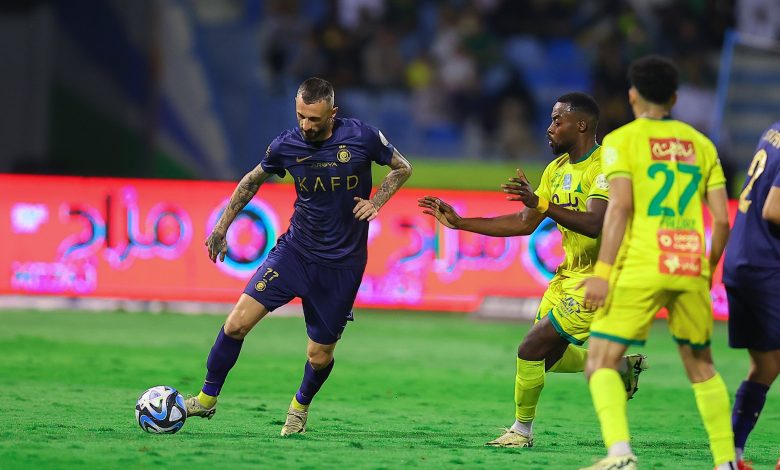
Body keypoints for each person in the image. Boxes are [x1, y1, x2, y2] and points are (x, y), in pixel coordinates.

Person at [418, 92, 647, 449]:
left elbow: (594, 223)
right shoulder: (556, 171)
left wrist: (541, 203)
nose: (549, 128)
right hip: (568, 276)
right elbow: (526, 222)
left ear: (581, 125)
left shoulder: (606, 165)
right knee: (546, 360)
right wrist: (462, 223)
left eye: (558, 120)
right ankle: (618, 369)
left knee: (530, 348)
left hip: (603, 276)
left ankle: (520, 431)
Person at [185, 77, 413, 436]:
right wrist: (221, 228)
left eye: (314, 119)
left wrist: (376, 202)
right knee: (236, 324)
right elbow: (251, 181)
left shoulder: (362, 137)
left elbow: (403, 167)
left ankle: (299, 407)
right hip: (295, 251)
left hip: (342, 264)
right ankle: (206, 398)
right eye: (301, 116)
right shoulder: (286, 145)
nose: (306, 125)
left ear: (332, 114)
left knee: (319, 356)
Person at [579, 55, 735, 470]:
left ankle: (619, 455)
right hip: (689, 267)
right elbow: (721, 220)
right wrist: (706, 269)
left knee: (600, 361)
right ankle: (725, 462)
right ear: (675, 97)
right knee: (702, 366)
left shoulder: (622, 141)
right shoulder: (702, 145)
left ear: (632, 95)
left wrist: (603, 273)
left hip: (641, 267)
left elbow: (621, 208)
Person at [723, 121, 780, 470]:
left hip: (742, 259)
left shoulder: (774, 129)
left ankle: (731, 456)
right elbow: (773, 208)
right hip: (767, 266)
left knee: (767, 364)